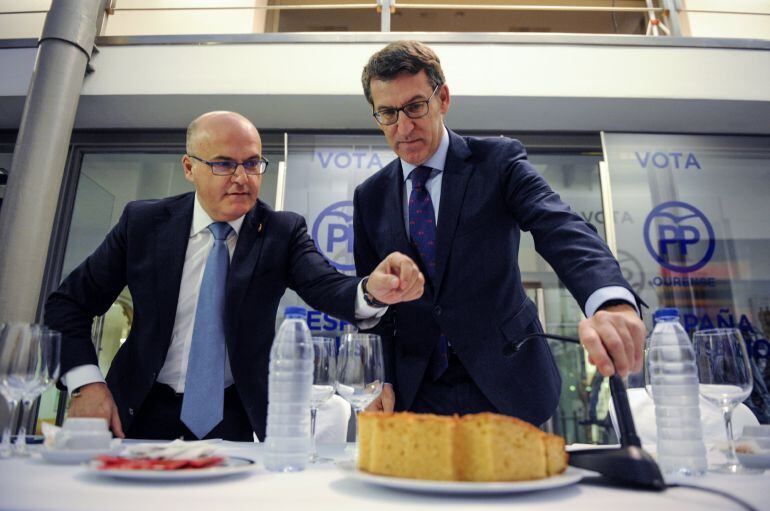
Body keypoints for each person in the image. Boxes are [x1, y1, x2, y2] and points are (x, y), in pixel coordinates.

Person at [45, 111, 424, 441]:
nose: (242, 177)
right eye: (224, 164)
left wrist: (371, 292)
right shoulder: (143, 224)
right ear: (189, 167)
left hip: (233, 416)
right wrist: (86, 383)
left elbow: (328, 287)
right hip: (137, 409)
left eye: (253, 163)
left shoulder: (281, 231)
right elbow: (68, 305)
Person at [354, 41, 646, 425]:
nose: (403, 127)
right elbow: (374, 309)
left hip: (506, 381)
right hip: (415, 393)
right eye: (388, 113)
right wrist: (380, 376)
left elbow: (559, 225)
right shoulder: (370, 197)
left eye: (415, 106)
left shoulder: (497, 161)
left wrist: (608, 301)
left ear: (443, 98)